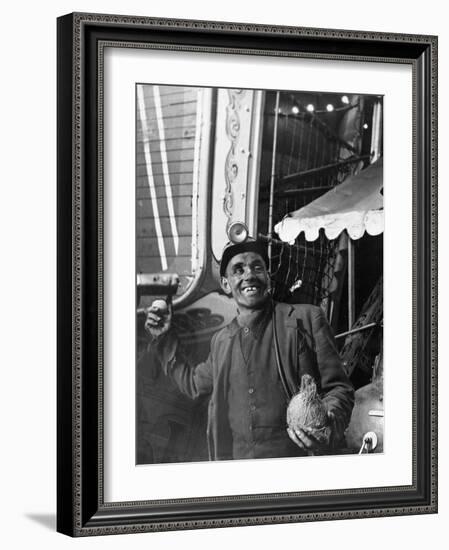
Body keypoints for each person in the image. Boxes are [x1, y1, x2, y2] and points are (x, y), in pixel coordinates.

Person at [143, 237, 354, 461]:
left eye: (257, 267)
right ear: (226, 284)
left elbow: (339, 389)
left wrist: (328, 425)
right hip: (239, 471)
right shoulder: (221, 342)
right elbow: (194, 384)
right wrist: (163, 337)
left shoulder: (307, 318)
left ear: (268, 277)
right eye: (238, 270)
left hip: (297, 464)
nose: (249, 275)